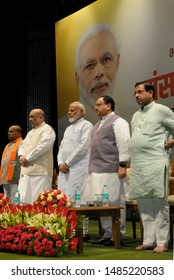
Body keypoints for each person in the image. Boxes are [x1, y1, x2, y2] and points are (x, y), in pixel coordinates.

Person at [128, 81, 174, 253]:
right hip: (139, 163)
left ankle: (162, 241)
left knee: (158, 201)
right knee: (143, 202)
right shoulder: (135, 116)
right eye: (135, 93)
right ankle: (148, 240)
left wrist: (171, 143)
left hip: (156, 161)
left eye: (140, 92)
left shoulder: (162, 110)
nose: (137, 96)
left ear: (151, 93)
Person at [58, 23, 121, 146]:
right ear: (77, 79)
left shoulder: (126, 119)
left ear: (117, 63)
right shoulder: (62, 128)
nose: (99, 73)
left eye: (106, 59)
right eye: (89, 66)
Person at [84, 95, 130, 246]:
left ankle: (118, 235)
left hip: (112, 169)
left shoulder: (118, 122)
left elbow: (124, 143)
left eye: (98, 104)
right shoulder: (97, 125)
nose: (95, 107)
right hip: (96, 170)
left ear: (108, 106)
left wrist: (122, 165)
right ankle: (107, 234)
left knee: (115, 202)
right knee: (100, 203)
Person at [57, 101, 93, 240]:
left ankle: (82, 231)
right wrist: (61, 163)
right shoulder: (68, 129)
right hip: (64, 169)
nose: (69, 113)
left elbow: (83, 147)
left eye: (73, 110)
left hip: (78, 167)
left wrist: (68, 162)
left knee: (79, 198)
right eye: (69, 110)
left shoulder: (86, 125)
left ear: (81, 112)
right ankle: (68, 228)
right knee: (65, 199)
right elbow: (61, 148)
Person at [18, 108, 56, 204]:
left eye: (33, 117)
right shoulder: (30, 132)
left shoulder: (47, 129)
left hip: (40, 172)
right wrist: (21, 155)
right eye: (29, 117)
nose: (30, 119)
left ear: (41, 118)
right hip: (26, 172)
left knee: (38, 203)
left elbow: (43, 146)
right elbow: (22, 145)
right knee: (23, 202)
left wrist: (27, 158)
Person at [0, 125, 23, 202]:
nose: (9, 133)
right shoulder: (8, 145)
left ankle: (16, 213)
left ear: (19, 133)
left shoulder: (21, 143)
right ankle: (8, 213)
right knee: (7, 200)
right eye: (8, 132)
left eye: (11, 131)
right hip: (5, 178)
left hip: (15, 178)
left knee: (15, 200)